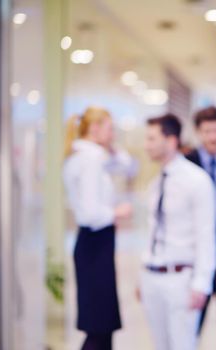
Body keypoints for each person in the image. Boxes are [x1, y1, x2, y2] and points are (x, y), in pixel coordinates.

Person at [140, 113, 216, 350]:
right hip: (152, 276)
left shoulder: (197, 180)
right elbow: (153, 229)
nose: (147, 145)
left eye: (152, 139)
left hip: (181, 279)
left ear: (171, 140)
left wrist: (201, 283)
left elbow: (206, 235)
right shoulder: (156, 183)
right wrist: (143, 272)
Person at [63, 106, 132, 350]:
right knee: (99, 328)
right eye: (110, 128)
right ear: (94, 128)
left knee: (102, 325)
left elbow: (127, 165)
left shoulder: (86, 156)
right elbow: (91, 213)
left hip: (94, 245)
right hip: (95, 244)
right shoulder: (91, 159)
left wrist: (110, 147)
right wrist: (117, 212)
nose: (113, 135)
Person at [185, 106, 216, 336]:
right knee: (191, 324)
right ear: (198, 132)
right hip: (196, 252)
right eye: (207, 132)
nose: (213, 137)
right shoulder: (186, 164)